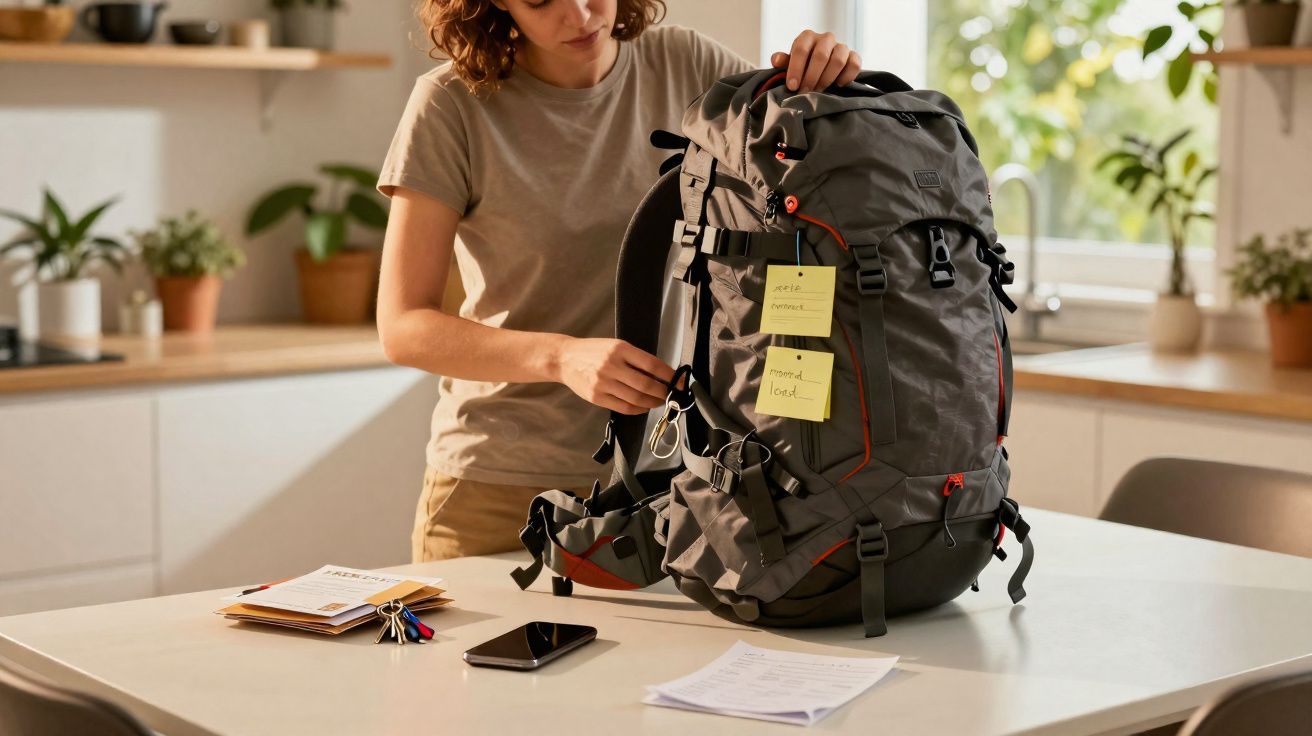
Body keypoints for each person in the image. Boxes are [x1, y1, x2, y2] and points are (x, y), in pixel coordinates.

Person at [375, 0, 861, 563]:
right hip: (499, 487)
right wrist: (561, 358)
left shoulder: (686, 63)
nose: (579, 15)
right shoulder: (450, 104)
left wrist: (828, 77)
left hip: (671, 484)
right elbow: (403, 326)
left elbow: (804, 159)